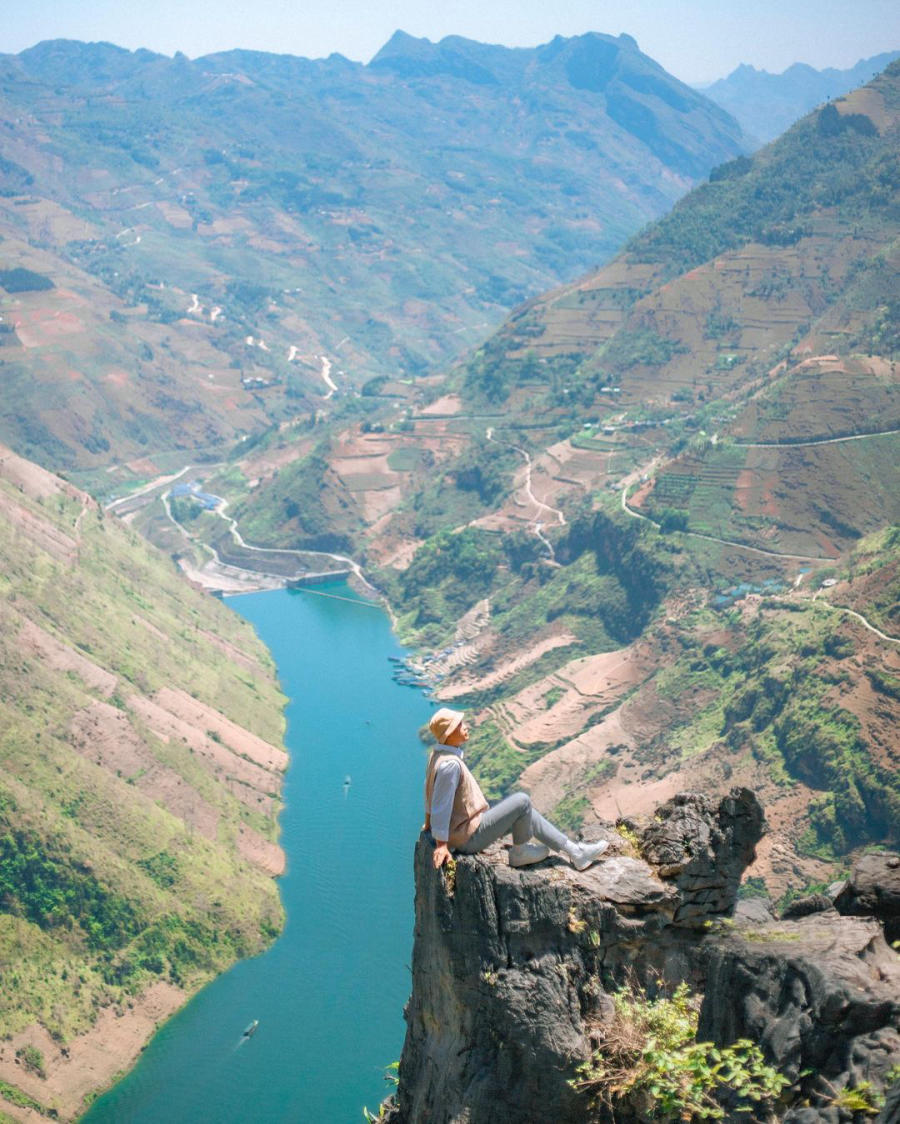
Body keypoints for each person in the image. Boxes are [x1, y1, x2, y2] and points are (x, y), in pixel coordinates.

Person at [423, 707, 609, 870]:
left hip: (463, 831)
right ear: (448, 733)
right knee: (522, 801)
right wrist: (441, 844)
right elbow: (442, 803)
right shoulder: (451, 765)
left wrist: (429, 824)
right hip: (467, 838)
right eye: (459, 724)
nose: (466, 726)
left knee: (526, 812)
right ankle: (519, 853)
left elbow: (429, 792)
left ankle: (575, 852)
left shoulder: (438, 756)